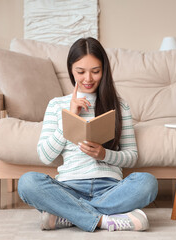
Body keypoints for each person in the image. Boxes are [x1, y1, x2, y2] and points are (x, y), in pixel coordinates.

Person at [18, 37, 158, 232]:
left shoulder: (120, 106)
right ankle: (103, 220)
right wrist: (70, 117)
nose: (88, 79)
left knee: (147, 183)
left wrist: (104, 155)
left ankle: (68, 215)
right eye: (80, 72)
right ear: (70, 69)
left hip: (110, 188)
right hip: (69, 189)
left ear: (104, 70)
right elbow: (45, 156)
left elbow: (132, 157)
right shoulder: (57, 105)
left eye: (96, 71)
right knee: (27, 183)